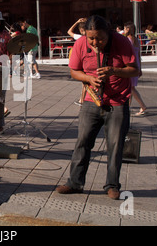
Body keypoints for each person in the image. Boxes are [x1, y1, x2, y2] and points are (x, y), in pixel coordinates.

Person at [56, 15, 139, 200]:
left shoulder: (122, 42)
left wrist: (114, 70)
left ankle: (112, 185)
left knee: (115, 145)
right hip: (91, 99)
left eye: (100, 38)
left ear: (108, 33)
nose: (95, 42)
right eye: (91, 38)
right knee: (83, 142)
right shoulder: (81, 45)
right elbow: (74, 71)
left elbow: (135, 70)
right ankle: (75, 183)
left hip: (118, 101)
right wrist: (88, 78)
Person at [124, 21, 147, 115]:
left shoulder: (127, 40)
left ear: (128, 29)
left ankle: (143, 106)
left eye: (125, 28)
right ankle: (127, 107)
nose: (124, 30)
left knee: (131, 88)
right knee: (130, 87)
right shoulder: (136, 40)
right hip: (136, 65)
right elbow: (138, 55)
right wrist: (140, 68)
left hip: (130, 65)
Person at [67, 18, 87, 106]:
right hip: (89, 61)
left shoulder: (80, 37)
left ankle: (82, 100)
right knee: (85, 82)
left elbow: (69, 31)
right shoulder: (92, 37)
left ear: (81, 30)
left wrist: (77, 22)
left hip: (83, 62)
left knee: (85, 82)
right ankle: (82, 99)